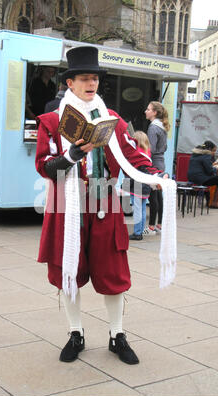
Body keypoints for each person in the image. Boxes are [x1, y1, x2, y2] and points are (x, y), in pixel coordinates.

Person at [35, 46, 168, 365]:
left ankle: (117, 334)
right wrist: (71, 155)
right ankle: (75, 332)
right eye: (84, 78)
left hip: (104, 199)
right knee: (68, 270)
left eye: (94, 78)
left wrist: (156, 174)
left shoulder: (112, 119)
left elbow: (132, 154)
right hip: (65, 202)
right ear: (70, 83)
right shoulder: (53, 121)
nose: (91, 83)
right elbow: (44, 166)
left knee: (113, 271)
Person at [145, 101, 170, 234]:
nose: (146, 111)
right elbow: (164, 147)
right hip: (161, 162)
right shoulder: (162, 127)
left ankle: (151, 227)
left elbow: (151, 149)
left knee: (153, 195)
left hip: (154, 163)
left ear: (154, 112)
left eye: (148, 109)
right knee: (159, 195)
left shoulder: (153, 127)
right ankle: (160, 224)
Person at [187, 140, 218, 209]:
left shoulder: (195, 154)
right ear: (210, 150)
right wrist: (215, 168)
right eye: (214, 151)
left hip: (191, 177)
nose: (214, 153)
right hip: (199, 178)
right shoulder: (206, 156)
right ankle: (214, 203)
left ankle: (209, 201)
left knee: (212, 179)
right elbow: (209, 171)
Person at [129, 131, 153, 241]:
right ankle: (140, 230)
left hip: (138, 184)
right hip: (146, 183)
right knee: (143, 208)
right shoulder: (147, 152)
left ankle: (137, 232)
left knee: (137, 209)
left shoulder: (136, 154)